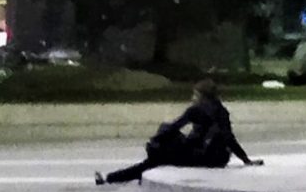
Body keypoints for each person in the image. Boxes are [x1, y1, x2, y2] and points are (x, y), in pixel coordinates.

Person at [96, 79, 262, 185]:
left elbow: (174, 127)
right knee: (156, 158)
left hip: (201, 157)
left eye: (195, 95)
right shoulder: (222, 111)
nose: (192, 98)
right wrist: (245, 160)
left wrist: (155, 140)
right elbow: (229, 138)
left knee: (155, 158)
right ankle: (111, 177)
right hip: (218, 158)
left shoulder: (195, 110)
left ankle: (109, 178)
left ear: (202, 96)